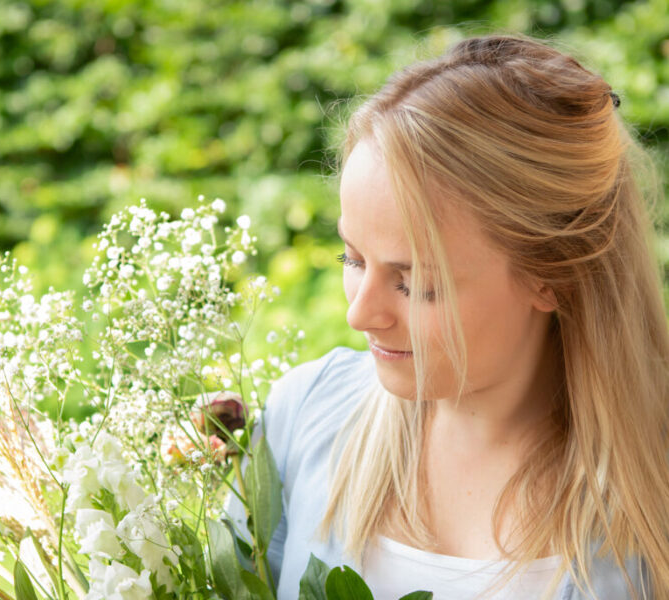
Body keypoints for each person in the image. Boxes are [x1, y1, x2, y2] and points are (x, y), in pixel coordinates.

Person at [233, 35, 669, 599]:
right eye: (352, 258)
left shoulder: (653, 489)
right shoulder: (303, 418)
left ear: (553, 274)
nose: (359, 313)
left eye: (416, 284)